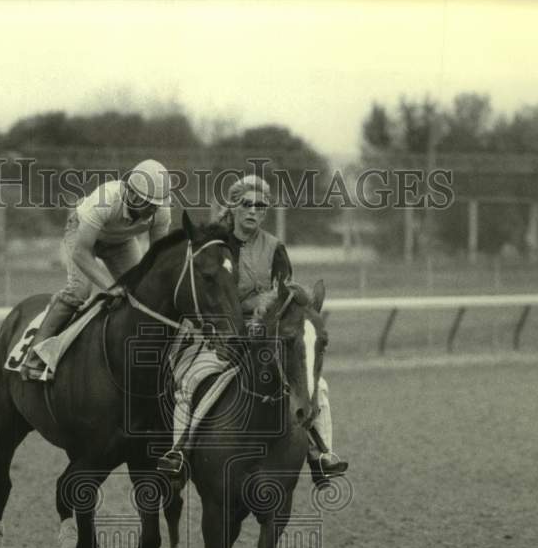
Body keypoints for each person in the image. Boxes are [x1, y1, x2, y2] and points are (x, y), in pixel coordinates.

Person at [156, 174, 348, 485]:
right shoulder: (215, 244)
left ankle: (321, 454)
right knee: (191, 380)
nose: (253, 212)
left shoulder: (274, 248)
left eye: (261, 206)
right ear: (233, 206)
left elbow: (281, 295)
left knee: (318, 386)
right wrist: (251, 304)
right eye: (247, 204)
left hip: (263, 337)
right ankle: (180, 450)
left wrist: (274, 305)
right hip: (219, 334)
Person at [22, 159, 173, 378]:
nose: (152, 210)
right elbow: (81, 253)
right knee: (79, 291)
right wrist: (109, 286)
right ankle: (34, 358)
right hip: (82, 234)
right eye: (148, 204)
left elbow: (158, 258)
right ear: (131, 194)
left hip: (121, 242)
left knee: (144, 294)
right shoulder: (105, 201)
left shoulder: (161, 212)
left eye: (156, 205)